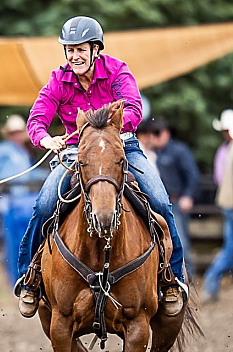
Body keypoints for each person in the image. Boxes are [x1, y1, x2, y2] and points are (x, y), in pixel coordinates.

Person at [16, 15, 188, 318]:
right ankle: (29, 278)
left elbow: (133, 107)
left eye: (80, 49)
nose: (74, 56)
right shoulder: (59, 80)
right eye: (69, 50)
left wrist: (108, 132)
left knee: (160, 200)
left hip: (123, 147)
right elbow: (37, 118)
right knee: (43, 205)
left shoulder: (117, 71)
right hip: (76, 152)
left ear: (96, 49)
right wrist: (45, 140)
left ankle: (171, 278)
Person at [151, 117, 200, 276]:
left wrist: (188, 195)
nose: (154, 136)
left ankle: (188, 280)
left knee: (181, 242)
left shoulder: (179, 150)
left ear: (166, 133)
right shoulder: (152, 154)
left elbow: (193, 175)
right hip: (158, 204)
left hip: (176, 202)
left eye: (157, 133)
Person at [0, 114, 47, 194]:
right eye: (13, 133)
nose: (17, 135)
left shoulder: (25, 152)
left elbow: (30, 173)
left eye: (19, 132)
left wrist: (48, 175)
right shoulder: (3, 148)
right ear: (9, 134)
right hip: (5, 195)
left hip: (23, 194)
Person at [201, 109, 233, 303]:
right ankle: (210, 283)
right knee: (230, 249)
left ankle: (211, 285)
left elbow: (218, 178)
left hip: (227, 202)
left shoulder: (225, 150)